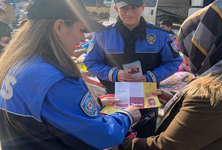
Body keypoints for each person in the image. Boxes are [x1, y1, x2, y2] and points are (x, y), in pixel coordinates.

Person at [0, 0, 142, 150]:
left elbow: (49, 112)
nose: (84, 39)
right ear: (59, 26)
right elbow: (103, 135)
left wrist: (95, 104)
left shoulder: (20, 63)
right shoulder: (54, 79)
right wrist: (127, 116)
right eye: (81, 30)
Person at [120, 0, 222, 149]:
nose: (187, 58)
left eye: (189, 48)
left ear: (206, 44)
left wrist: (116, 144)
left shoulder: (212, 96)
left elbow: (166, 146)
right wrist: (176, 101)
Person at [84, 0, 182, 138]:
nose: (129, 13)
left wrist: (150, 77)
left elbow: (173, 62)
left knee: (145, 139)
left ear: (142, 7)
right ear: (117, 9)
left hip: (148, 100)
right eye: (124, 8)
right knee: (117, 139)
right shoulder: (103, 34)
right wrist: (114, 74)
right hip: (114, 99)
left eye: (134, 7)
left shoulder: (160, 35)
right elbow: (91, 62)